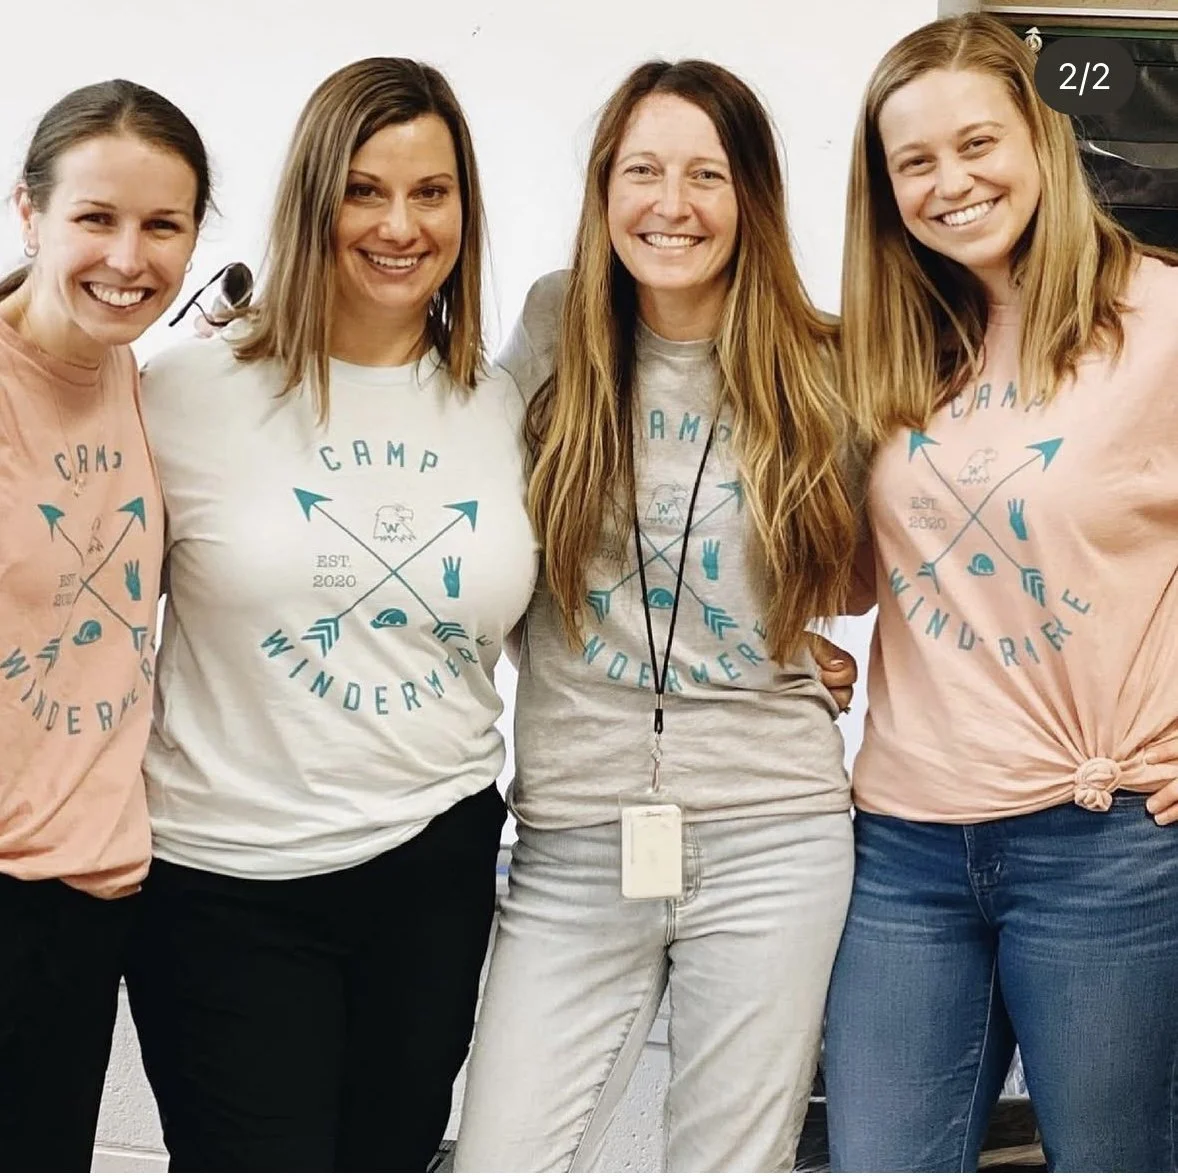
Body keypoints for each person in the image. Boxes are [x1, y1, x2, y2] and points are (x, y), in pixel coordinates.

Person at [123, 57, 538, 1172]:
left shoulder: (500, 408)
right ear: (314, 199)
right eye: (364, 190)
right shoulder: (184, 393)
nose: (399, 225)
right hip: (222, 884)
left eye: (430, 193)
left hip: (434, 863)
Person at [454, 58, 863, 1173]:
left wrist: (802, 640)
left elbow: (872, 572)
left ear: (752, 197)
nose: (668, 204)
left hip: (770, 831)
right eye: (641, 170)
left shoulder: (825, 360)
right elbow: (481, 516)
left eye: (705, 175)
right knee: (500, 1156)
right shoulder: (554, 325)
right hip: (577, 836)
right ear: (603, 188)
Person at [823, 14, 1178, 1172]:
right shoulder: (894, 347)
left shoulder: (1163, 320)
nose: (948, 183)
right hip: (903, 849)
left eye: (976, 144)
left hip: (1107, 845)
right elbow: (866, 574)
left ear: (1041, 137)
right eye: (912, 162)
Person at [0, 80, 209, 1172]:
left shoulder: (136, 377)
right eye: (95, 219)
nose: (129, 257)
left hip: (92, 899)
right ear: (30, 213)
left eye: (161, 226)